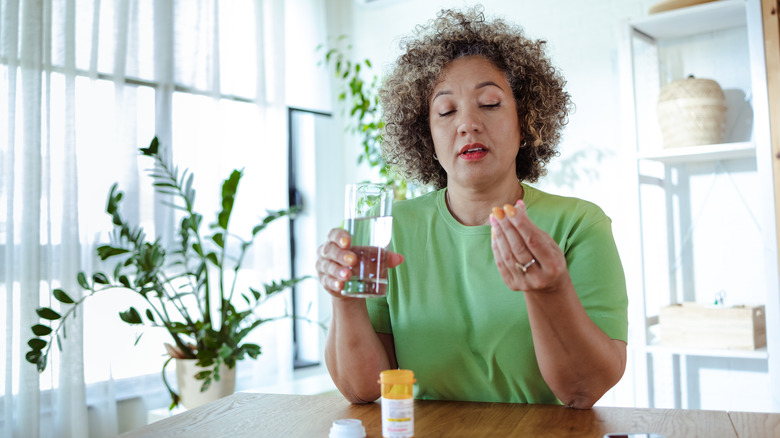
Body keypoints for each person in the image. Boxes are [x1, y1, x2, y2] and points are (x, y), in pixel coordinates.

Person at [316, 6, 628, 409]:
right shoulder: (389, 228)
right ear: (426, 134)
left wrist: (550, 290)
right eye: (446, 111)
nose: (467, 124)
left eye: (490, 103)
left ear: (527, 120)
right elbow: (362, 390)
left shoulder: (578, 225)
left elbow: (583, 391)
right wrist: (345, 299)